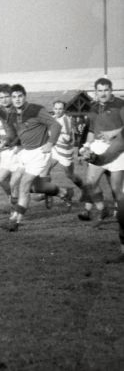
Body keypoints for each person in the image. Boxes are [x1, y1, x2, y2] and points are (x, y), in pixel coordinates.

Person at [1, 84, 73, 232]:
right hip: (25, 153)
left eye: (20, 96)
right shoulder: (13, 114)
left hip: (40, 153)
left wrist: (50, 143)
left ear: (25, 96)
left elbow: (55, 126)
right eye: (14, 97)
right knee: (24, 184)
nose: (17, 99)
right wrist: (8, 143)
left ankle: (15, 221)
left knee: (24, 185)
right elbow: (16, 134)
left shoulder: (36, 109)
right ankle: (64, 192)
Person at [77, 78, 124, 263]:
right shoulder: (94, 107)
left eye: (106, 90)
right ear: (95, 92)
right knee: (90, 183)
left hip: (118, 149)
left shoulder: (120, 104)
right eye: (100, 90)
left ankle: (122, 243)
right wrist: (86, 146)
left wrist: (114, 132)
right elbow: (91, 130)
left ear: (111, 90)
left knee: (117, 192)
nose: (103, 93)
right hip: (97, 147)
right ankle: (102, 209)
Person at [39, 100, 84, 209]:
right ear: (53, 109)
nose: (58, 111)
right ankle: (49, 194)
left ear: (64, 109)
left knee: (70, 175)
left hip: (65, 151)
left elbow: (67, 138)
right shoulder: (52, 118)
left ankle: (85, 189)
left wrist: (52, 139)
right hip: (54, 149)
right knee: (44, 171)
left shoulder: (66, 120)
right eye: (56, 108)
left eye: (60, 109)